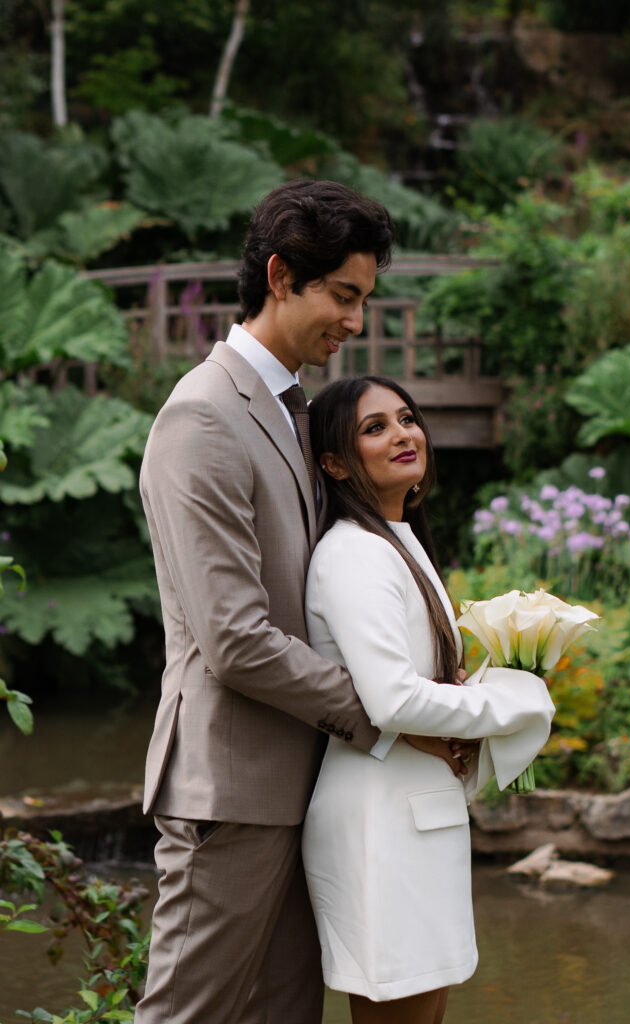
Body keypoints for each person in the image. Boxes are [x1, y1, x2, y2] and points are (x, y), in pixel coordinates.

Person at [135, 180, 427, 1024]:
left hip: (310, 783)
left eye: (364, 300)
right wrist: (389, 714)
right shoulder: (201, 417)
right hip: (230, 787)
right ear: (278, 275)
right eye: (343, 296)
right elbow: (233, 638)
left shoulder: (297, 414)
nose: (356, 323)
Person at [302, 375, 556, 1024]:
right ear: (335, 463)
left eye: (406, 418)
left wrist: (485, 691)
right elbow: (392, 699)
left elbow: (420, 683)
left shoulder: (396, 539)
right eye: (373, 427)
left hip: (416, 810)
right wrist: (516, 701)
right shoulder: (354, 554)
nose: (402, 433)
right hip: (381, 817)